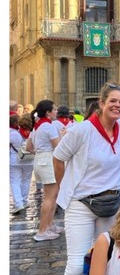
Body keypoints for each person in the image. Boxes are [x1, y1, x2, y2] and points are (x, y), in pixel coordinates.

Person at [35, 83, 120, 275]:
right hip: (82, 204)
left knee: (108, 266)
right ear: (101, 103)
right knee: (77, 266)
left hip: (111, 206)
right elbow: (58, 157)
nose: (117, 105)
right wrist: (66, 189)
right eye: (113, 100)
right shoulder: (82, 131)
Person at [26, 99, 62, 241]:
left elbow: (29, 147)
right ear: (48, 112)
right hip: (48, 161)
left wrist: (40, 153)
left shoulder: (36, 127)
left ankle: (49, 225)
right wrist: (63, 135)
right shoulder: (48, 126)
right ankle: (42, 230)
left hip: (40, 160)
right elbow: (57, 145)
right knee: (50, 197)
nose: (56, 111)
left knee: (52, 195)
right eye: (54, 109)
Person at [10, 114, 33, 213]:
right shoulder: (33, 133)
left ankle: (18, 203)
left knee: (15, 181)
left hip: (15, 159)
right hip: (30, 159)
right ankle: (24, 200)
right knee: (26, 180)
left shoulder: (13, 133)